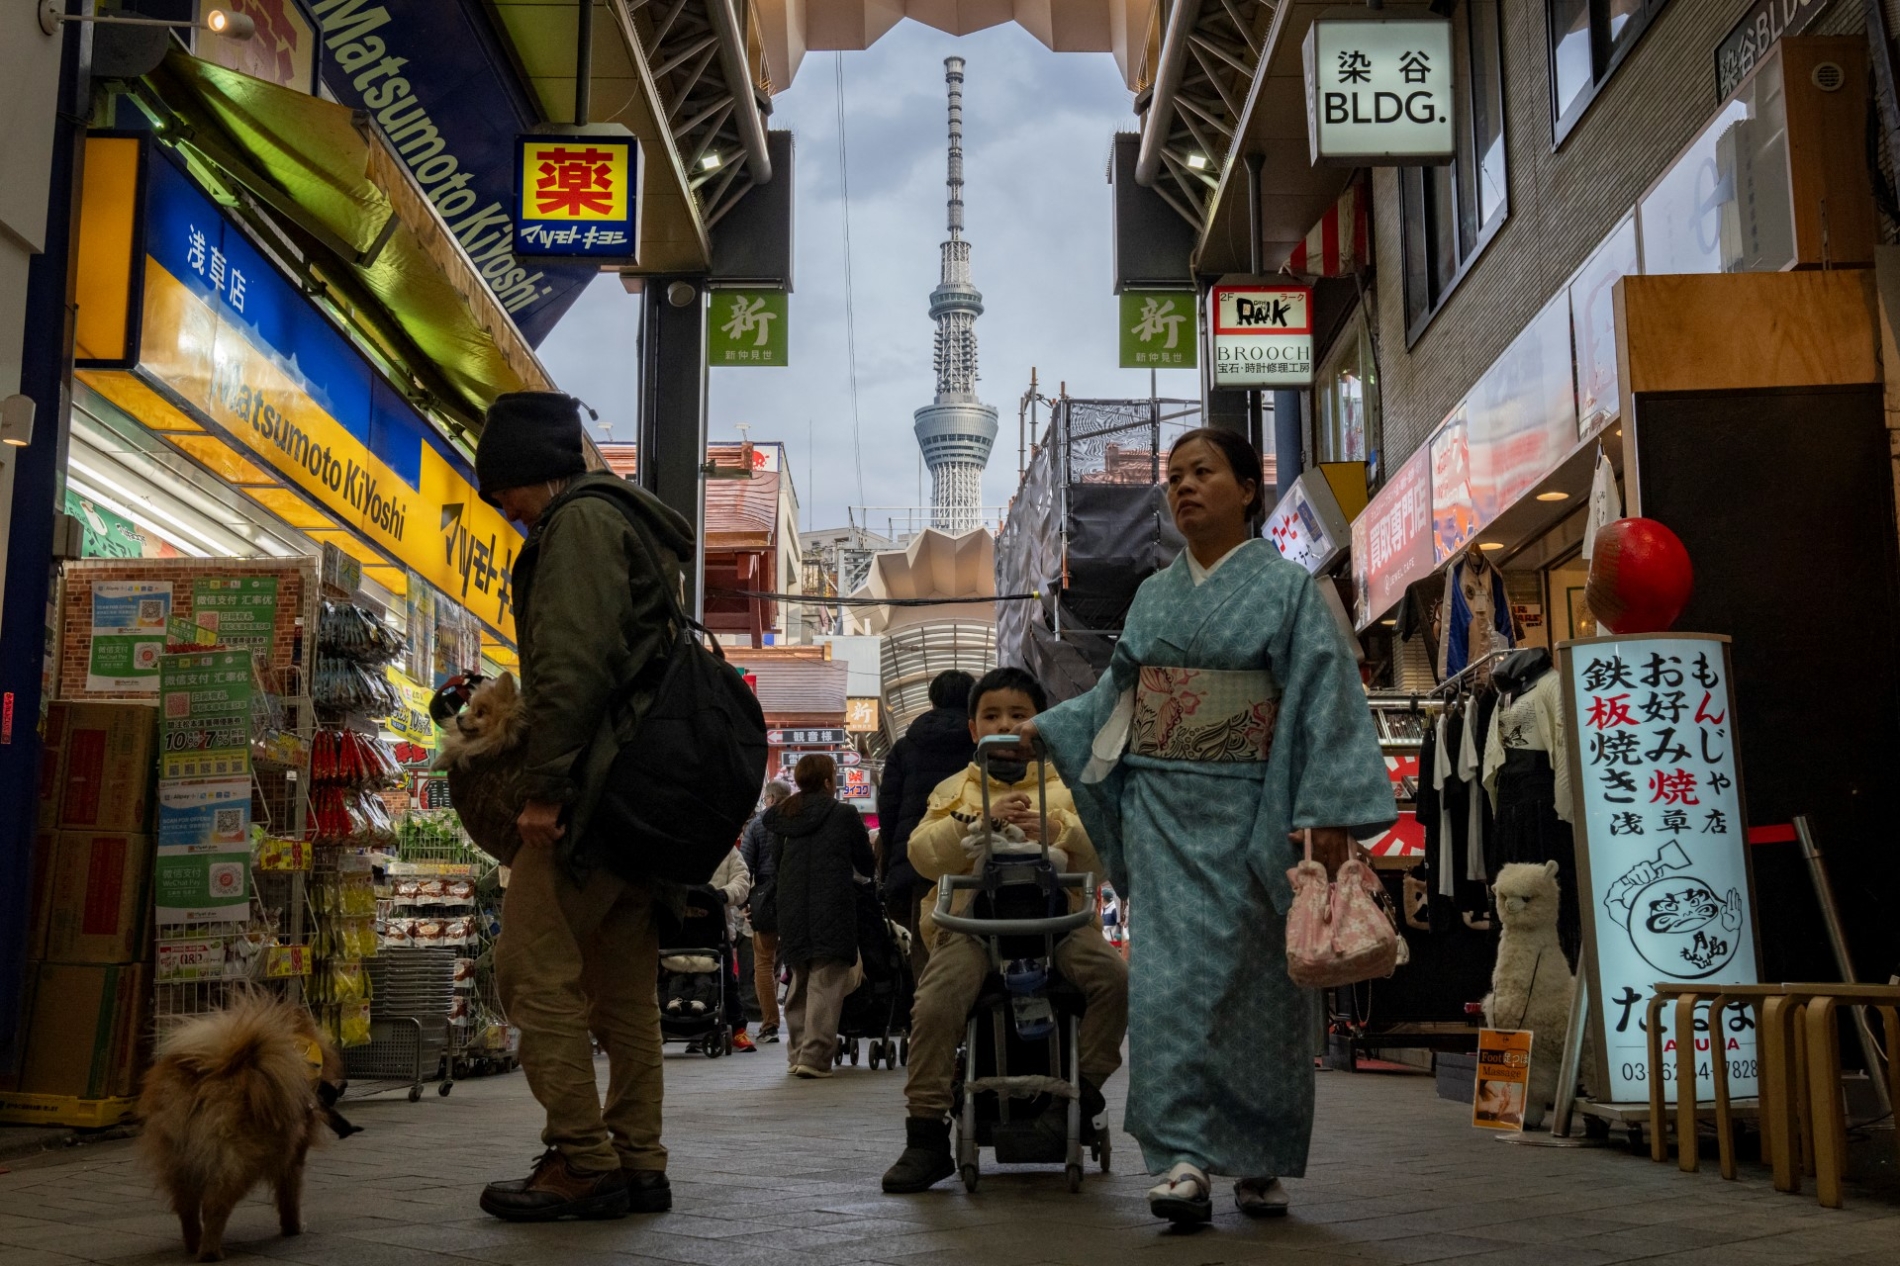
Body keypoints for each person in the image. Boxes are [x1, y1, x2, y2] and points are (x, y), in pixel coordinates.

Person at [1019, 428, 1395, 1224]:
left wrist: (1323, 816)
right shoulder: (1155, 595)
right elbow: (1117, 697)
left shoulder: (1286, 590)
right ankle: (1182, 1156)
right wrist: (1047, 726)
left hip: (1255, 813)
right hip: (1160, 811)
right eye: (1174, 477)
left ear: (1248, 489)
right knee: (1168, 989)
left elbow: (1324, 698)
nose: (1184, 488)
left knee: (1258, 988)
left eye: (1203, 472)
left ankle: (1258, 1160)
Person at [475, 392, 694, 1222]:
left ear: (533, 474)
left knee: (530, 966)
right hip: (642, 801)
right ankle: (638, 1158)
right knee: (622, 986)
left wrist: (544, 790)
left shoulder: (578, 528)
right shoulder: (634, 525)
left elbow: (572, 668)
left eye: (506, 491)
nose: (506, 509)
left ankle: (583, 1155)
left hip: (594, 795)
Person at [881, 667, 1129, 1194]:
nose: (1006, 724)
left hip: (1061, 923)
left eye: (1019, 715)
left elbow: (1107, 854)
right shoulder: (955, 789)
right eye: (992, 715)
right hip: (974, 927)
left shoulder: (1073, 785)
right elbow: (922, 855)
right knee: (935, 1001)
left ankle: (1082, 1094)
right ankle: (925, 1133)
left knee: (1114, 980)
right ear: (973, 729)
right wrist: (977, 822)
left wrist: (1059, 830)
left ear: (1041, 723)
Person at [763, 755, 876, 1078]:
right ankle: (814, 1057)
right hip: (833, 906)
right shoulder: (843, 814)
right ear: (828, 781)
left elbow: (776, 861)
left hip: (792, 907)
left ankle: (797, 1053)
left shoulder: (784, 816)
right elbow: (865, 864)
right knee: (826, 979)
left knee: (799, 978)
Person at [876, 670, 977, 976]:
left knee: (923, 947)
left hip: (917, 863)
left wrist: (896, 858)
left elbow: (889, 810)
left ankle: (926, 1017)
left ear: (932, 701)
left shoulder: (906, 747)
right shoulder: (981, 745)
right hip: (971, 858)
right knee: (973, 938)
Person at [739, 780, 794, 1042]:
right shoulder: (800, 821)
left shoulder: (757, 825)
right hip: (796, 898)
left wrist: (745, 905)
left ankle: (770, 1024)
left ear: (770, 798)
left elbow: (745, 866)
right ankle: (802, 1022)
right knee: (798, 962)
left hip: (765, 900)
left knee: (763, 962)